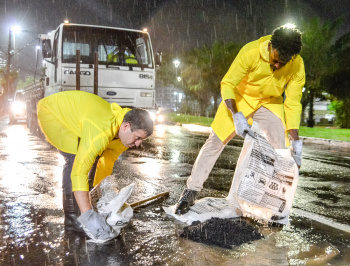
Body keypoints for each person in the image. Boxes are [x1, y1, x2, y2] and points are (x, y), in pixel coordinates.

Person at [175, 24, 305, 215]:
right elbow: (228, 83)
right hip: (241, 98)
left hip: (269, 102)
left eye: (283, 63)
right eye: (276, 60)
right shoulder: (250, 51)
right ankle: (191, 191)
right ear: (270, 46)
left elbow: (293, 103)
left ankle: (272, 200)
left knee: (280, 146)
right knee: (215, 141)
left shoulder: (297, 64)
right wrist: (236, 115)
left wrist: (296, 142)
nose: (277, 66)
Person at [37, 90, 153, 240]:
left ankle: (84, 207)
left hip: (82, 117)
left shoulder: (124, 135)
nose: (138, 144)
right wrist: (89, 216)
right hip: (53, 114)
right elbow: (79, 172)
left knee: (93, 157)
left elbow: (105, 163)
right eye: (137, 138)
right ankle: (73, 221)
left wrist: (99, 198)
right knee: (75, 161)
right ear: (126, 126)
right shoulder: (101, 130)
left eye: (141, 140)